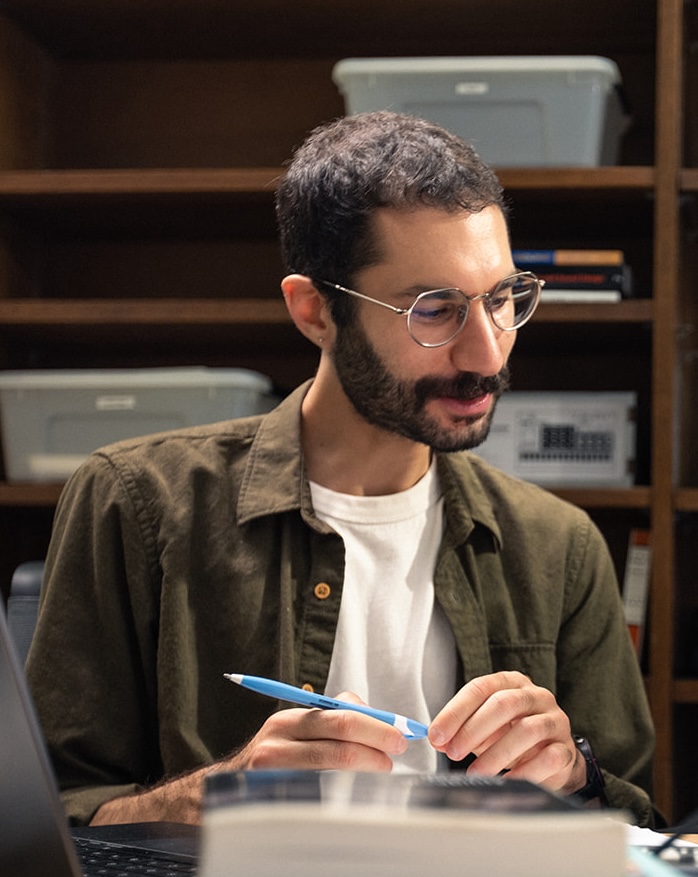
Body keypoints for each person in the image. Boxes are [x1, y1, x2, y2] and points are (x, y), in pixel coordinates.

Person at [26, 110, 661, 829]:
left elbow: (643, 827)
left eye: (503, 298)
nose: (487, 353)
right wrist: (211, 796)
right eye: (435, 310)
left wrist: (575, 774)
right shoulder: (136, 503)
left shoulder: (558, 543)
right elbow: (42, 824)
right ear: (314, 311)